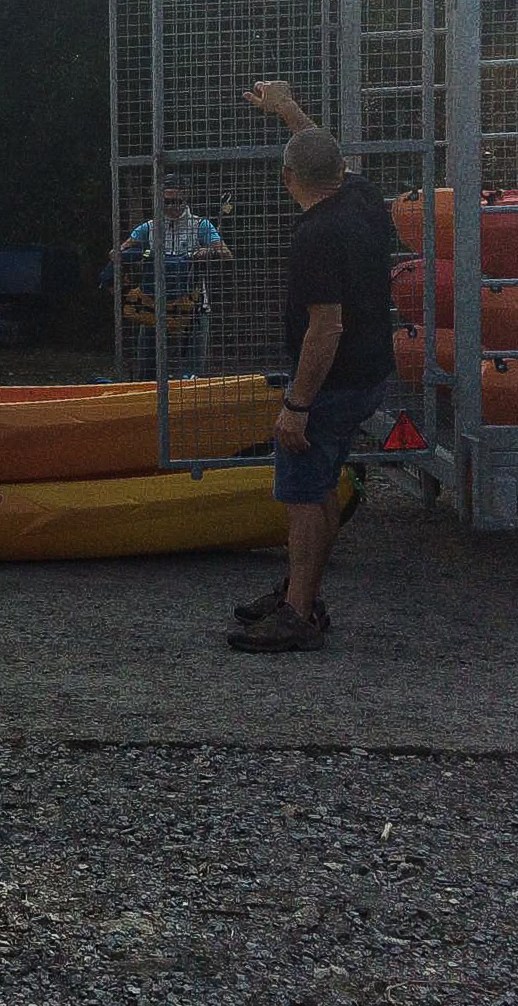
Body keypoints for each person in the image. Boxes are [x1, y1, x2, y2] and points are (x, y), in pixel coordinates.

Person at [228, 80, 395, 653]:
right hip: (370, 372)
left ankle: (299, 612)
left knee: (304, 492)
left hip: (332, 381)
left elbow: (326, 328)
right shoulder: (362, 201)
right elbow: (322, 154)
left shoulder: (316, 237)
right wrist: (289, 111)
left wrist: (296, 406)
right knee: (321, 483)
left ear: (286, 180)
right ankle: (301, 590)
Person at [113, 178, 233, 377]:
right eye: (166, 202)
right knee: (147, 369)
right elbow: (123, 249)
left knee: (193, 372)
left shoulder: (201, 226)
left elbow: (226, 254)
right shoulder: (148, 228)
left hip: (192, 306)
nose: (172, 206)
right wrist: (121, 254)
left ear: (185, 199)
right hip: (154, 306)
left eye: (177, 201)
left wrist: (205, 252)